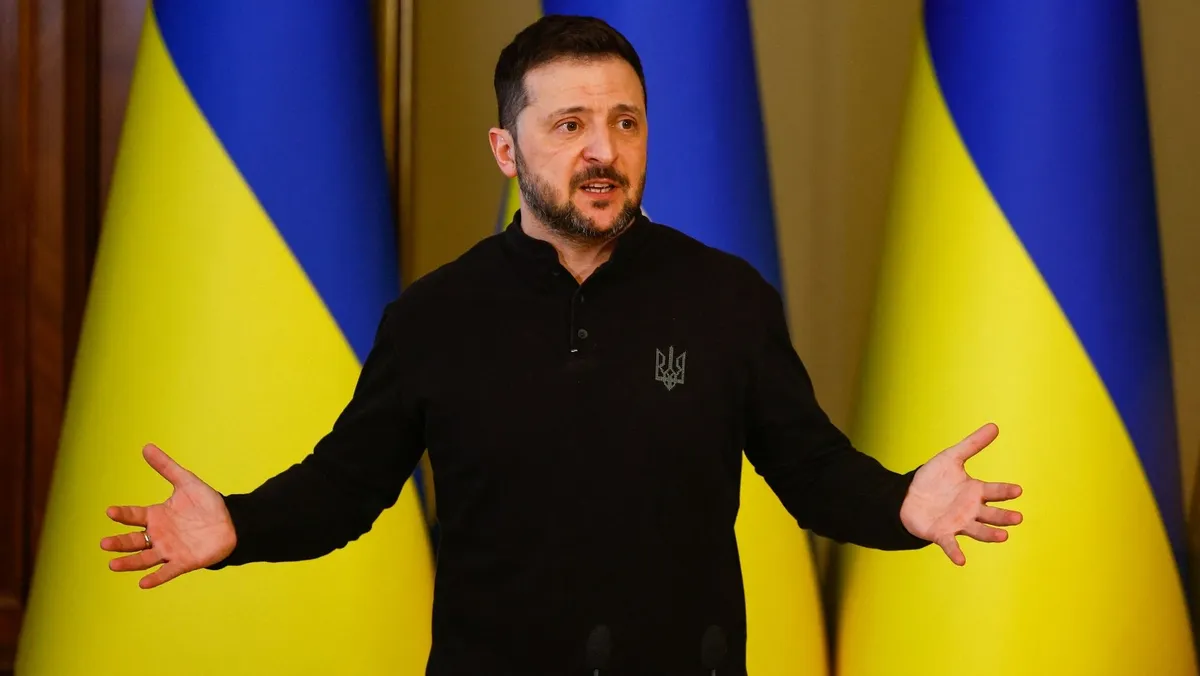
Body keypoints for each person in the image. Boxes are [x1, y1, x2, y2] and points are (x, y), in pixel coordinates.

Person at [100, 14, 1022, 675]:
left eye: (625, 122)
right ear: (507, 150)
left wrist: (904, 505)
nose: (603, 151)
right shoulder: (434, 316)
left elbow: (812, 470)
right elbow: (345, 487)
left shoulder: (727, 299)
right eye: (570, 125)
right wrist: (238, 526)